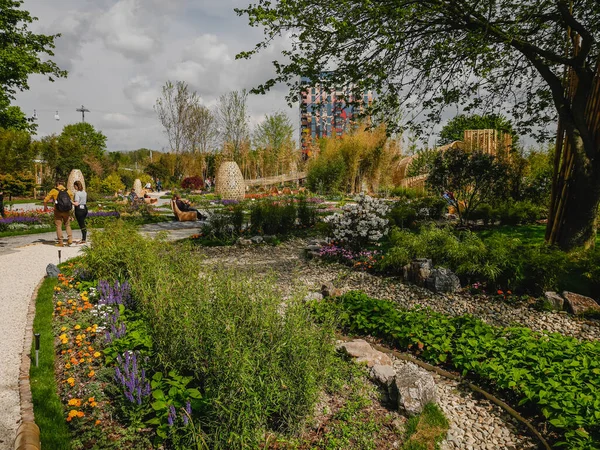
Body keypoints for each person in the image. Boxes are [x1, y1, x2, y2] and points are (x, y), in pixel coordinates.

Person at [43, 180, 73, 246]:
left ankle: (60, 242)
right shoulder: (68, 191)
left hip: (58, 210)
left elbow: (45, 200)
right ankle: (70, 239)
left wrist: (45, 207)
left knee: (58, 226)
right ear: (63, 184)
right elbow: (71, 200)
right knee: (67, 224)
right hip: (66, 211)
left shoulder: (54, 190)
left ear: (57, 184)